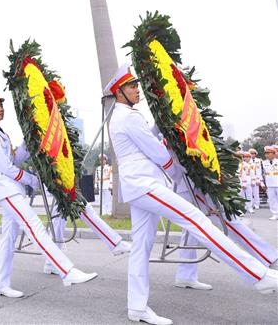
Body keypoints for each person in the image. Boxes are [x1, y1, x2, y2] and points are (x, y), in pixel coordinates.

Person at [105, 64, 277, 325]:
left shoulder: (123, 115)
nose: (137, 91)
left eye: (137, 86)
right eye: (131, 87)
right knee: (197, 220)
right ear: (119, 92)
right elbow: (159, 154)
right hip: (145, 184)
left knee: (141, 247)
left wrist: (163, 124)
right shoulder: (128, 117)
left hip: (139, 184)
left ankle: (137, 307)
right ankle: (257, 274)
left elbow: (148, 139)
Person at [0, 86, 97, 298]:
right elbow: (6, 168)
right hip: (6, 188)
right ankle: (66, 270)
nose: (0, 109)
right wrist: (32, 180)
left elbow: (15, 159)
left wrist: (28, 139)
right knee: (34, 226)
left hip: (12, 188)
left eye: (1, 105)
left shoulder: (0, 134)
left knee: (8, 238)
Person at [262, 145, 278, 220]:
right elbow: (260, 173)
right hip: (270, 184)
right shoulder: (263, 163)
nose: (267, 155)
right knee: (272, 200)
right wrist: (262, 183)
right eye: (266, 153)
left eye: (269, 153)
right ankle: (275, 214)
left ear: (274, 154)